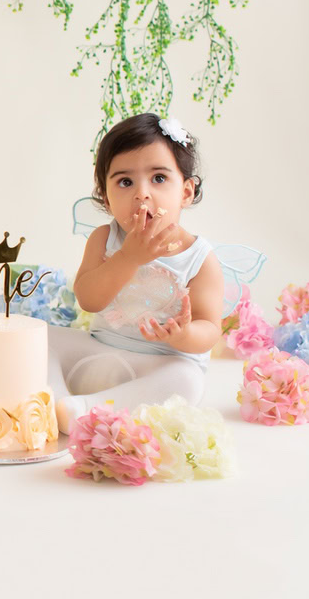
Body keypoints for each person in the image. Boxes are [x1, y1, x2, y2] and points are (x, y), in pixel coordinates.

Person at [49, 114, 223, 433]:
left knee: (188, 381)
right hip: (98, 354)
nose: (142, 194)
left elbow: (210, 327)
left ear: (185, 191)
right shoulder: (105, 238)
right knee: (40, 336)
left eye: (158, 178)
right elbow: (89, 300)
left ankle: (87, 410)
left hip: (159, 366)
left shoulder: (199, 257)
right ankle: (52, 401)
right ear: (105, 196)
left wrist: (184, 336)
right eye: (125, 182)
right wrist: (127, 257)